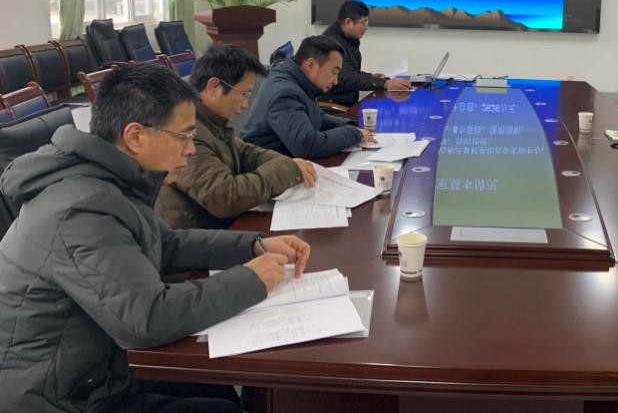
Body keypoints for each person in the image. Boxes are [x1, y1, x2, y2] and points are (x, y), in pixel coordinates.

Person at [0, 63, 311, 413]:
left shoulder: (108, 180)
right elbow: (146, 318)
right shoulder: (82, 209)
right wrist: (251, 280)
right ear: (135, 136)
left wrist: (253, 245)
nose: (191, 150)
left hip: (97, 369)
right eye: (184, 136)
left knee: (215, 387)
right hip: (55, 396)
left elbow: (165, 244)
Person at [156, 45, 318, 230]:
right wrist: (288, 169)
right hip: (195, 238)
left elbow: (246, 153)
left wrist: (289, 164)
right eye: (244, 94)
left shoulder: (210, 121)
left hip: (217, 228)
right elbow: (224, 197)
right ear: (214, 86)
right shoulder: (186, 132)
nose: (245, 105)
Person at [241, 35, 372, 158]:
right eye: (333, 72)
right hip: (263, 166)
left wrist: (352, 125)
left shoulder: (298, 79)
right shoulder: (285, 93)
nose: (335, 81)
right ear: (311, 65)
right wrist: (354, 134)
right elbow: (306, 144)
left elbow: (316, 115)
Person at [318, 0, 411, 108]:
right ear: (348, 22)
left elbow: (349, 70)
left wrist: (370, 77)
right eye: (363, 22)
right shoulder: (332, 43)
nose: (366, 27)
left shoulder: (349, 39)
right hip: (333, 107)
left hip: (347, 103)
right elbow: (347, 78)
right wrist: (385, 83)